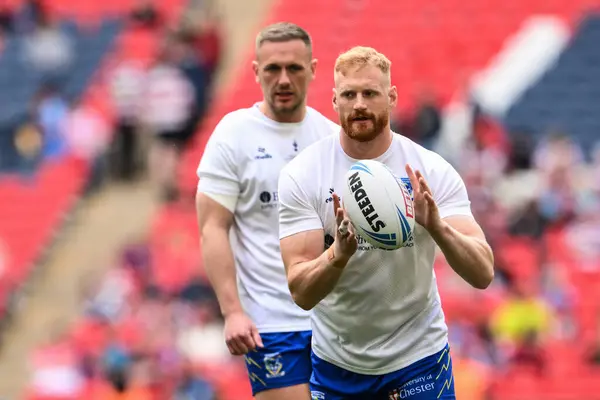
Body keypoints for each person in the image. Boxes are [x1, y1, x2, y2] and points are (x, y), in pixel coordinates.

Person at [277, 46, 494, 399]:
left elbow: (483, 271)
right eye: (349, 94)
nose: (359, 103)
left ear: (391, 97)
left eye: (370, 93)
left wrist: (438, 226)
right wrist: (339, 255)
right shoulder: (304, 175)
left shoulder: (430, 171)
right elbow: (301, 292)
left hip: (419, 358)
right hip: (338, 365)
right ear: (334, 101)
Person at [196, 22, 338, 399]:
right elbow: (212, 228)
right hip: (271, 322)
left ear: (313, 69)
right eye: (273, 69)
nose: (284, 79)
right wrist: (232, 312)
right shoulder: (234, 134)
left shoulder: (330, 139)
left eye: (294, 68)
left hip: (336, 320)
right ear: (257, 72)